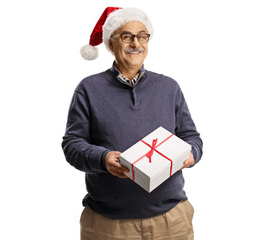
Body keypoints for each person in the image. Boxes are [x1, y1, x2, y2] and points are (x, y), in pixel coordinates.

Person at [62, 7, 203, 240]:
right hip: (108, 225)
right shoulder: (88, 88)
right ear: (110, 43)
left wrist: (192, 154)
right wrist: (102, 158)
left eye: (142, 36)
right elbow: (72, 144)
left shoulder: (169, 87)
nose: (136, 43)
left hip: (171, 220)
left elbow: (191, 137)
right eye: (126, 36)